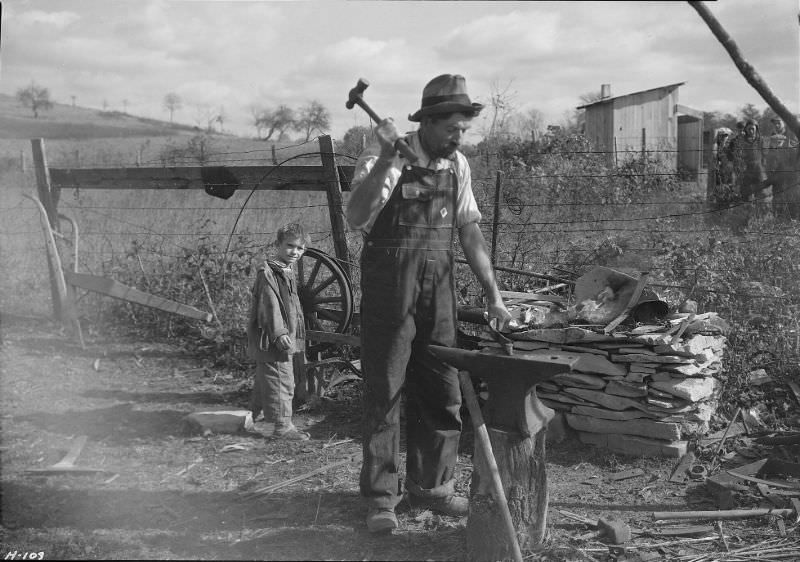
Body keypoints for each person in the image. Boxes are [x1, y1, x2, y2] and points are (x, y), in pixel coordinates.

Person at [345, 74, 513, 533]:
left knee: (442, 389)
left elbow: (470, 231)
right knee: (385, 389)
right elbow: (356, 215)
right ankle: (382, 497)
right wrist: (383, 159)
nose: (459, 138)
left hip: (437, 290)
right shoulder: (388, 158)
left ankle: (433, 487)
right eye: (451, 129)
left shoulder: (457, 166)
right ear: (429, 122)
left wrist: (493, 294)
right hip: (389, 288)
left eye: (463, 129)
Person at [247, 223, 310, 441]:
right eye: (290, 246)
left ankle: (250, 417)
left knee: (268, 377)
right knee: (282, 379)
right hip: (274, 336)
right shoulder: (269, 272)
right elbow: (269, 304)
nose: (295, 252)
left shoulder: (284, 269)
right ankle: (282, 426)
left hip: (283, 334)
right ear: (278, 245)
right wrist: (279, 332)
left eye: (300, 249)